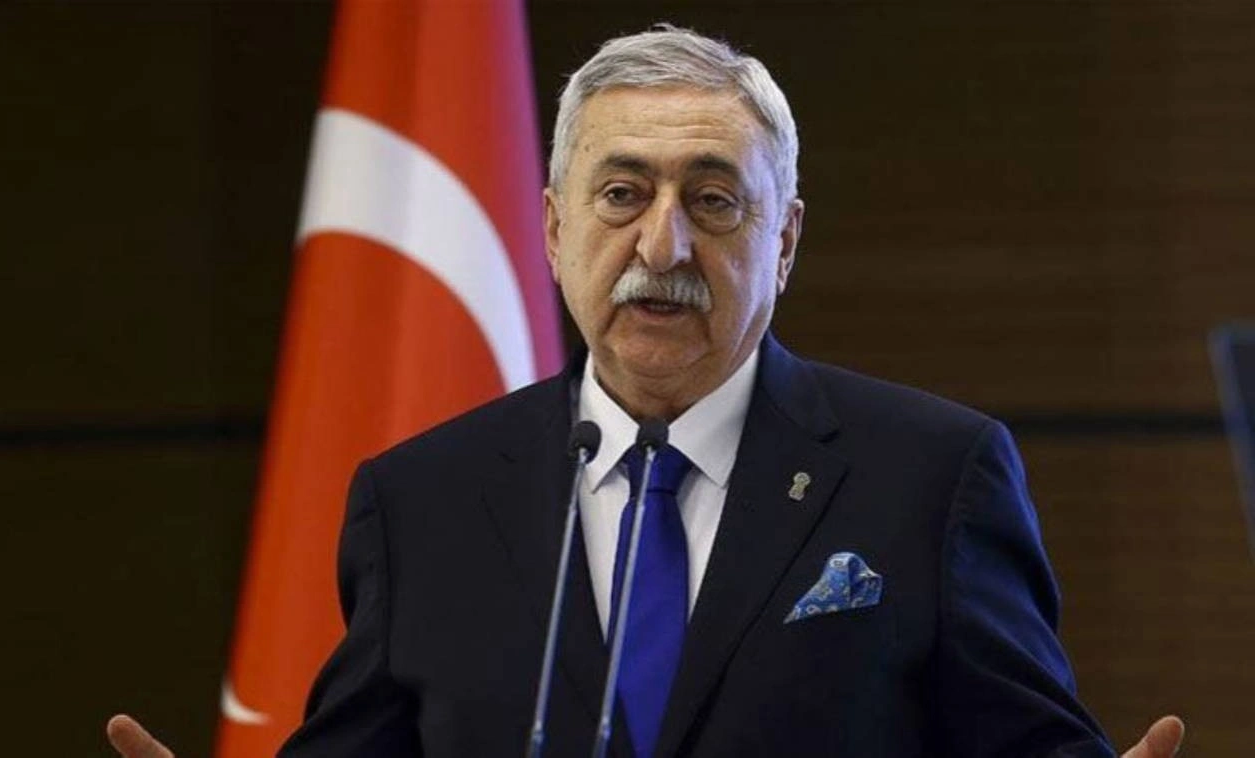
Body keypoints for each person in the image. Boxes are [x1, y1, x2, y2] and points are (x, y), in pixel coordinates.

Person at [108, 26, 1185, 758]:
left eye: (712, 201)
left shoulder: (931, 477)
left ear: (784, 240)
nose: (661, 245)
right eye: (622, 193)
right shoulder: (420, 501)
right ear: (552, 228)